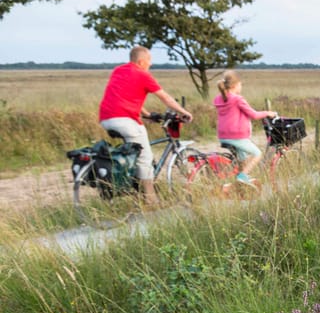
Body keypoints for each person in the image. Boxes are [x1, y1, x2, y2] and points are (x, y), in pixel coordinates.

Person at [98, 45, 192, 206]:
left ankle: (134, 188)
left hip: (106, 118)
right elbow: (165, 98)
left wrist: (148, 115)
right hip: (124, 120)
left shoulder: (119, 70)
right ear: (141, 61)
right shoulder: (142, 74)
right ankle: (151, 199)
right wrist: (184, 112)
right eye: (149, 61)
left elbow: (125, 96)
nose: (150, 65)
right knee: (145, 158)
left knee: (133, 153)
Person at [213, 70, 277, 184]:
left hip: (223, 135)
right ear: (235, 85)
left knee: (242, 159)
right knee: (257, 154)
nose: (241, 86)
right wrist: (268, 113)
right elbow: (254, 115)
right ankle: (242, 177)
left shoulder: (218, 98)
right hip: (236, 136)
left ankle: (241, 183)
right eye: (240, 84)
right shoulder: (237, 99)